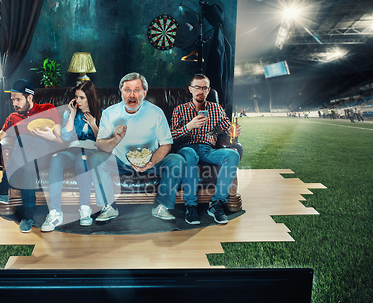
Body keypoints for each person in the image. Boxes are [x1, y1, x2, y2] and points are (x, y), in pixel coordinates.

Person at [88, 72, 184, 222]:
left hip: (150, 162)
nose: (131, 95)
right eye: (127, 90)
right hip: (120, 162)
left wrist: (151, 162)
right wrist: (116, 139)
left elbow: (166, 144)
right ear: (121, 92)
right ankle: (108, 207)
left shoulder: (156, 113)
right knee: (96, 158)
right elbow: (101, 146)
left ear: (144, 93)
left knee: (177, 160)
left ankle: (162, 207)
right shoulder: (110, 113)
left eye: (136, 90)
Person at [0, 79, 63, 233]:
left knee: (23, 140)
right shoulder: (12, 118)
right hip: (27, 158)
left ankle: (4, 188)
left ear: (29, 97)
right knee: (27, 163)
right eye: (13, 100)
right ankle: (28, 216)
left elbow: (59, 139)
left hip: (47, 154)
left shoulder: (48, 109)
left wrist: (50, 136)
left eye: (18, 99)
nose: (14, 103)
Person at [171, 74, 240, 225]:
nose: (200, 91)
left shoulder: (216, 108)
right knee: (189, 155)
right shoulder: (180, 110)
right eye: (197, 87)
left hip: (209, 150)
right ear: (190, 89)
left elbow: (226, 126)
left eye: (204, 88)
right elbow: (171, 136)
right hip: (187, 148)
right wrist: (189, 126)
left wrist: (232, 130)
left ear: (208, 90)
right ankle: (191, 205)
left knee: (233, 154)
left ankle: (216, 204)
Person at [40, 81, 101, 232]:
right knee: (56, 159)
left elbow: (102, 141)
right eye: (76, 97)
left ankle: (85, 208)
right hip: (73, 148)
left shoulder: (102, 113)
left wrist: (93, 124)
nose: (78, 101)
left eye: (82, 98)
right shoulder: (70, 113)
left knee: (82, 160)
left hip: (90, 151)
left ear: (90, 98)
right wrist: (72, 116)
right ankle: (55, 212)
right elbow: (66, 138)